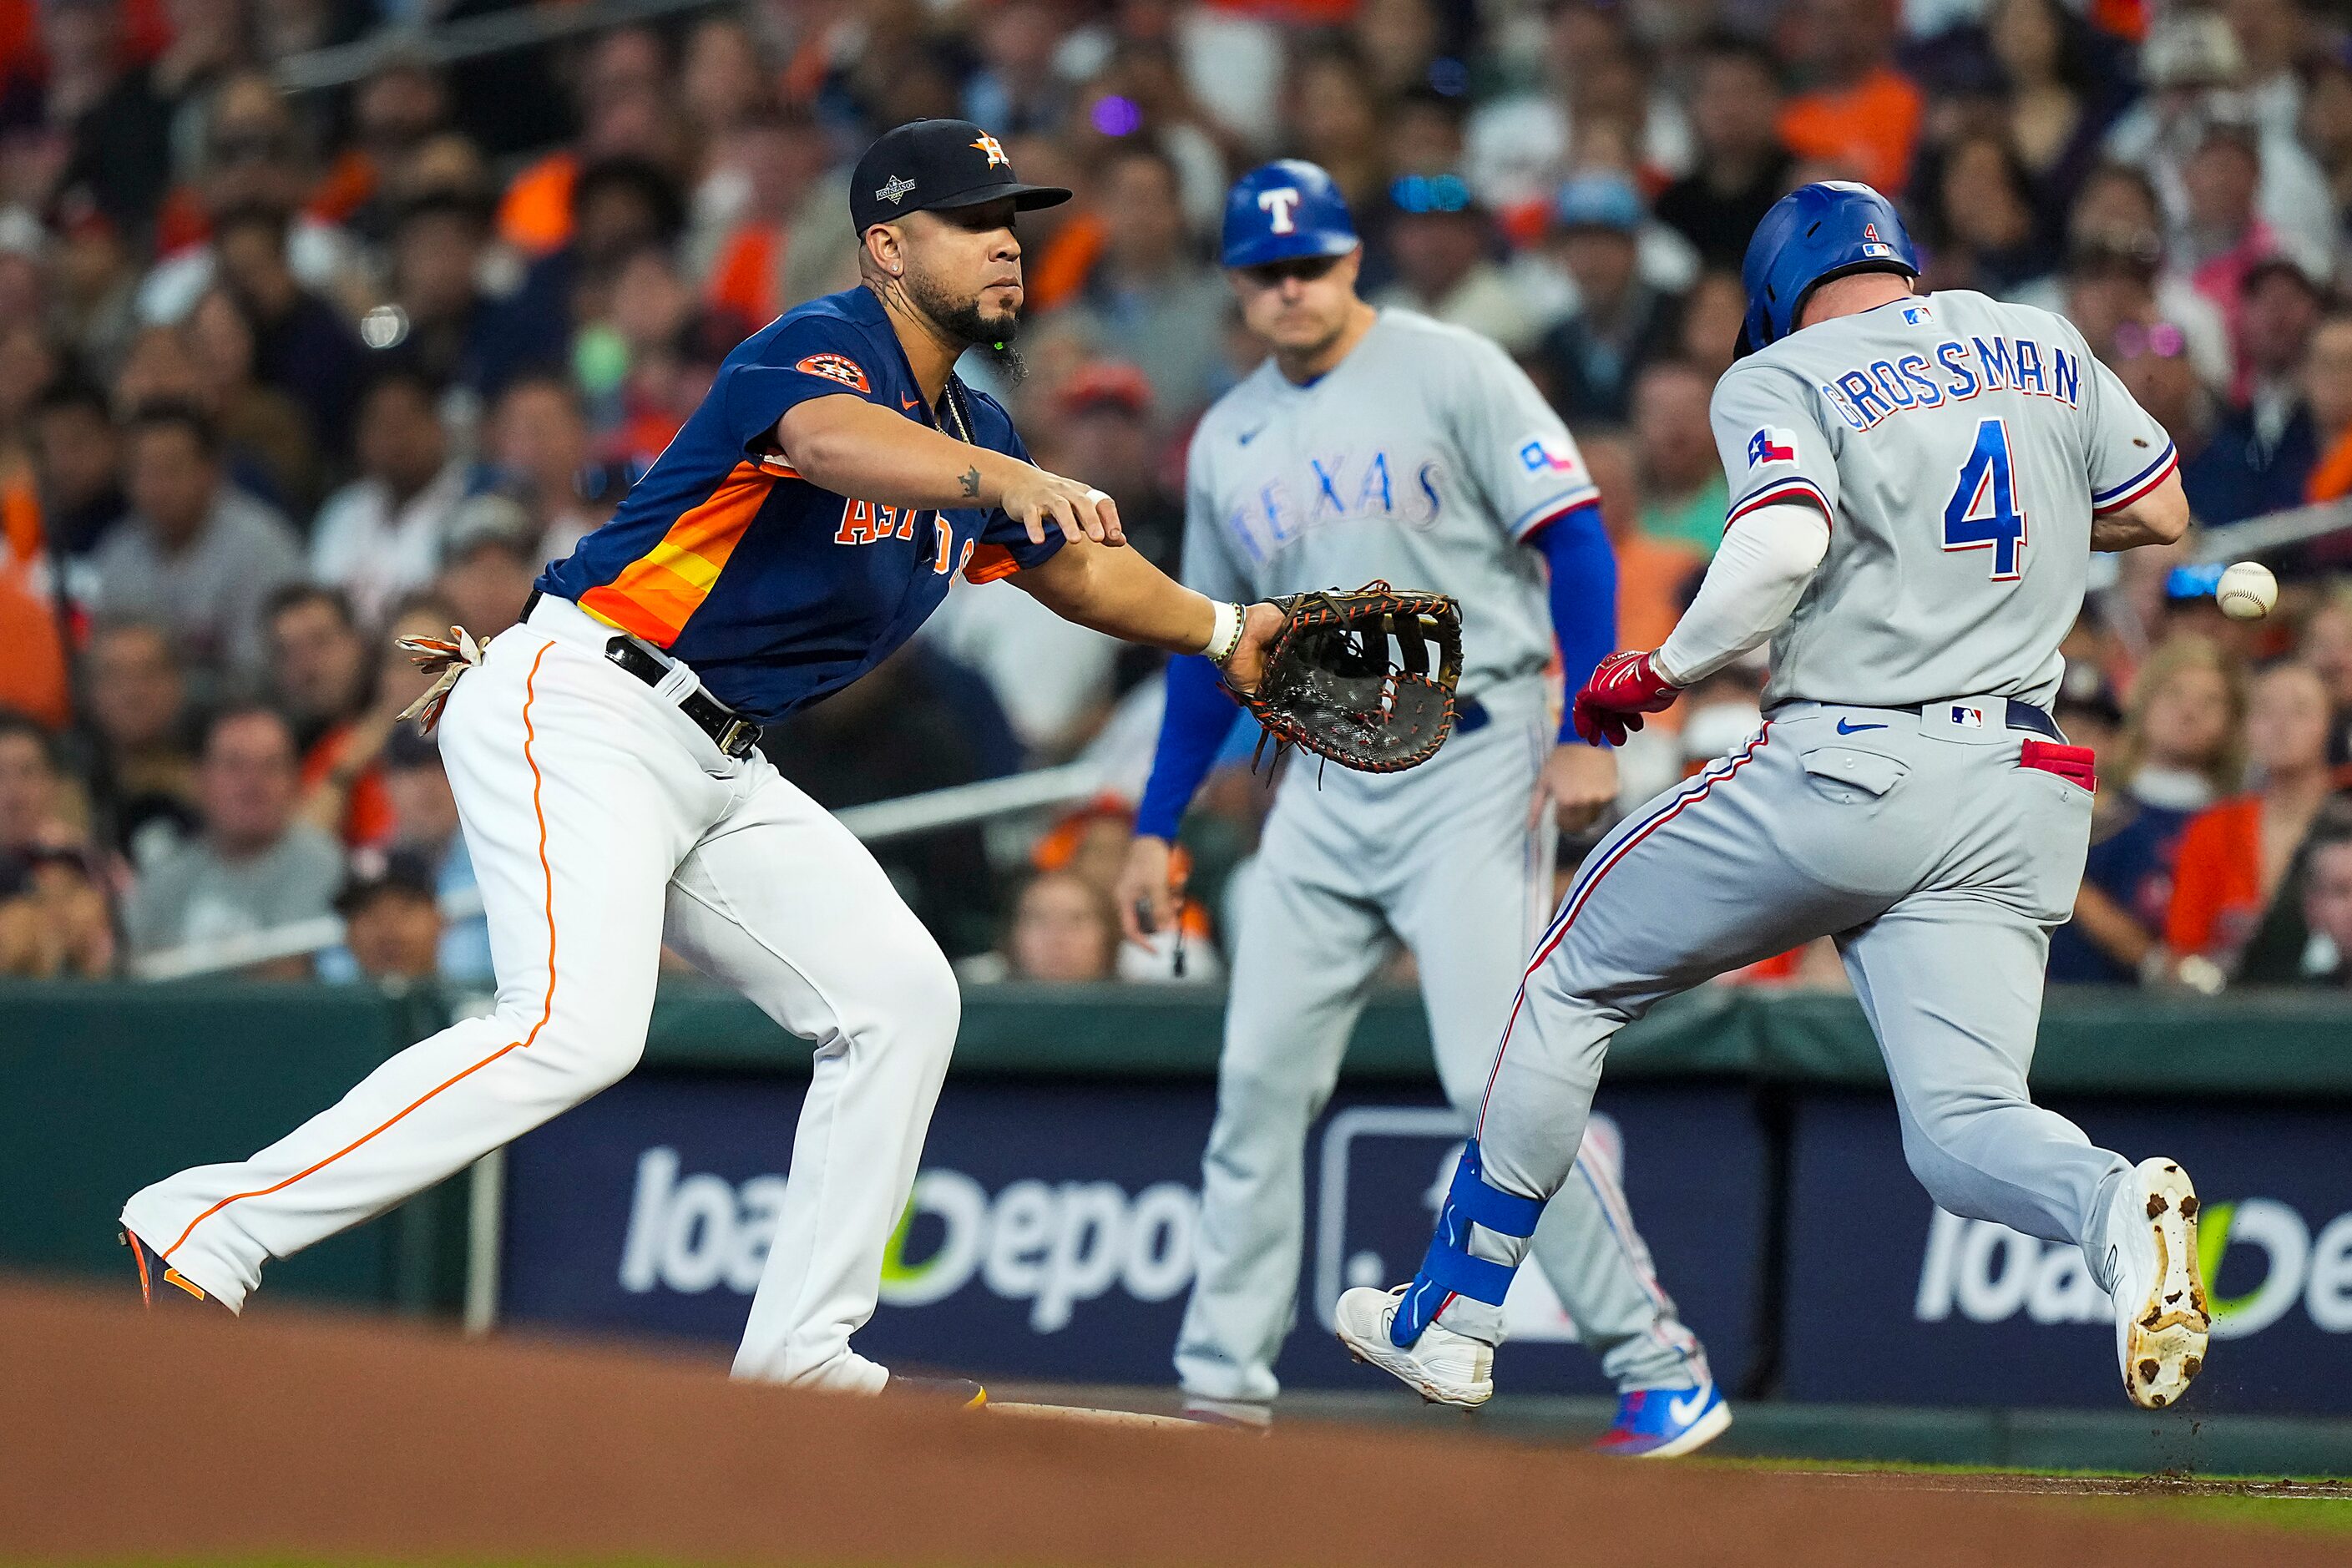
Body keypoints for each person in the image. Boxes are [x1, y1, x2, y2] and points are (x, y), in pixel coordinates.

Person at [119, 121, 1287, 1408]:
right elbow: (835, 445)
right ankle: (208, 1222)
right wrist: (1006, 474)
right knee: (572, 1029)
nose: (1007, 240)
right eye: (972, 218)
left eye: (1014, 218)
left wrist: (1226, 630)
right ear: (888, 248)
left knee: (902, 994)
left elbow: (1072, 562)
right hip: (587, 697)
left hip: (720, 759)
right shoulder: (820, 346)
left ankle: (799, 1358)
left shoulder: (972, 429)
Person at [1337, 182, 2212, 1418]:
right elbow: (2160, 507)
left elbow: (1781, 545)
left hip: (1854, 762)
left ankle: (1455, 1313)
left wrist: (1658, 668)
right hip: (2021, 780)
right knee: (1963, 1126)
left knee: (1567, 977)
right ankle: (2109, 1201)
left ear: (1771, 291)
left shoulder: (1780, 372)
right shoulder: (2042, 338)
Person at [1116, 161, 1724, 1453]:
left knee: (1496, 1081)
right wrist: (1156, 822)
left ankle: (1659, 1364)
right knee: (1255, 1086)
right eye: (1267, 270)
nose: (1290, 286)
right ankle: (1220, 1390)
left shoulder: (1451, 366)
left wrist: (1583, 727)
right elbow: (1208, 646)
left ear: (1350, 261)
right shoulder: (1224, 435)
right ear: (1235, 283)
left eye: (1312, 263)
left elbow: (1573, 537)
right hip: (1322, 778)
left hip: (1474, 750)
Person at [90, 400, 303, 690]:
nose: (156, 487)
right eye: (142, 471)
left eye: (171, 469)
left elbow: (262, 673)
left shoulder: (261, 544)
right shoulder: (118, 551)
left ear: (212, 470)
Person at [120, 704, 342, 973]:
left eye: (270, 766)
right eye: (234, 765)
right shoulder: (164, 879)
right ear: (200, 780)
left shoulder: (329, 872)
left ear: (295, 780)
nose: (252, 782)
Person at [2166, 661, 2345, 979]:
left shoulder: (2344, 821)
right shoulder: (2213, 829)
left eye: (2300, 710)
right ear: (2246, 727)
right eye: (2266, 711)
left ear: (2329, 725)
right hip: (2234, 1013)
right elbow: (2184, 949)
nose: (2281, 725)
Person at [309, 367, 470, 629]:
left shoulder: (473, 500)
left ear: (438, 427)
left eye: (407, 422)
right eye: (381, 425)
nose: (396, 438)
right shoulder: (343, 511)